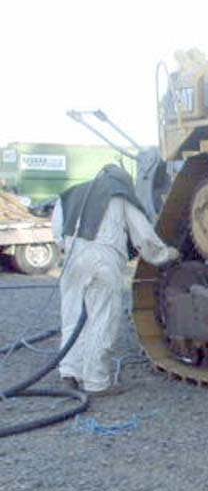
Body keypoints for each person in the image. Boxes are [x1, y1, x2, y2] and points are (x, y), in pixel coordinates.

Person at [51, 164, 178, 396]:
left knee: (71, 317)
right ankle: (96, 382)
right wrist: (167, 254)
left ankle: (70, 372)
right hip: (103, 260)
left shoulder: (71, 194)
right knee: (101, 318)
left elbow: (57, 230)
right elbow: (144, 237)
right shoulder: (119, 196)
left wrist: (72, 248)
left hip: (71, 260)